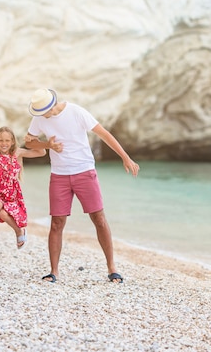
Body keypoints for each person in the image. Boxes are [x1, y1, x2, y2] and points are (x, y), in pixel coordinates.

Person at [24, 88, 140, 284]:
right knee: (57, 222)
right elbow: (29, 143)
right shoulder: (39, 119)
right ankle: (54, 272)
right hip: (59, 175)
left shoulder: (76, 112)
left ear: (52, 105)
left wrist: (126, 158)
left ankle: (112, 268)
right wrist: (48, 146)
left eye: (43, 111)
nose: (41, 115)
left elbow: (104, 134)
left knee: (98, 218)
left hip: (84, 171)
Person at [0, 126, 46, 250]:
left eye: (7, 140)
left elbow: (42, 152)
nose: (4, 143)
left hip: (11, 195)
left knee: (3, 214)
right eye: (1, 140)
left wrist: (33, 141)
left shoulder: (17, 153)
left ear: (12, 141)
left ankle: (19, 232)